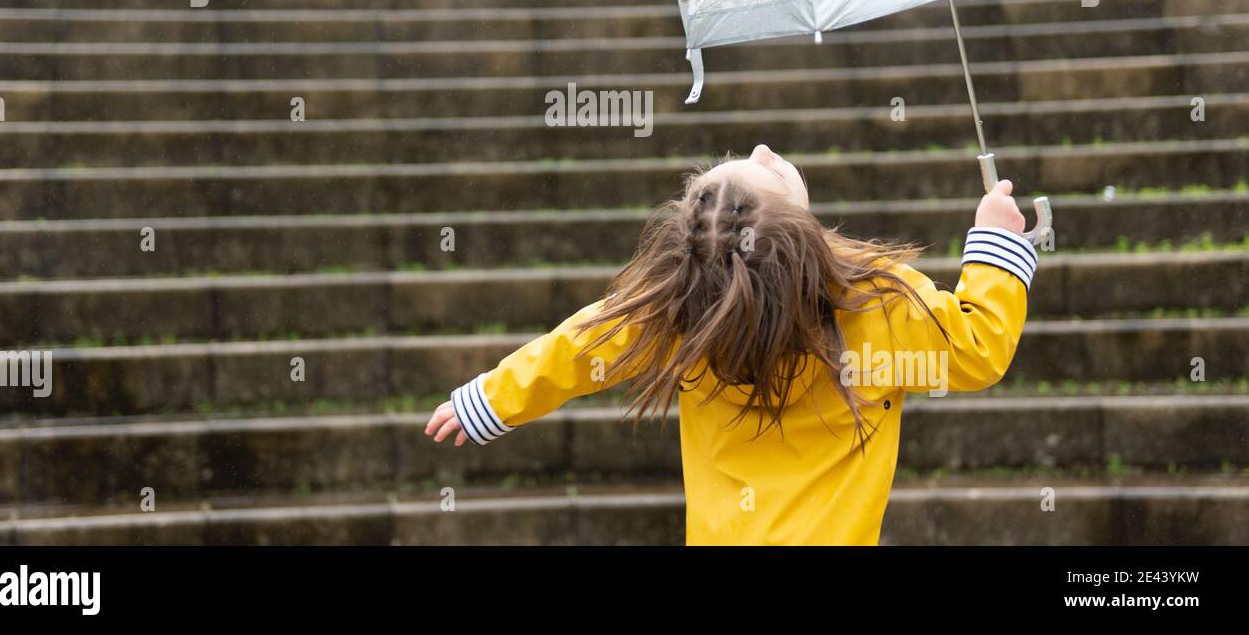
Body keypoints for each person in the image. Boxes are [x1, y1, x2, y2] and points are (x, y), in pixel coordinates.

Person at [425, 143, 1036, 544]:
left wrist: (493, 400)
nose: (764, 150)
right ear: (802, 230)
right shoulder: (877, 302)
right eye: (764, 169)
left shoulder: (676, 315)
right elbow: (977, 345)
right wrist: (995, 246)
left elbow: (582, 346)